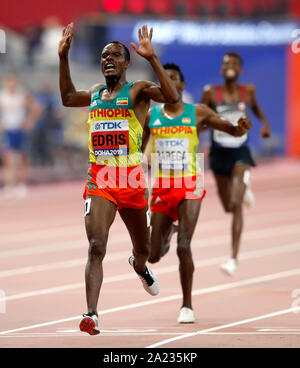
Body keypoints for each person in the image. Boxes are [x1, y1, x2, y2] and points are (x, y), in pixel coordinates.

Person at [58, 23, 180, 335]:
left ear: (126, 62)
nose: (108, 59)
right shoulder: (96, 93)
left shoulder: (138, 90)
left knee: (145, 249)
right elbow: (69, 96)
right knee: (96, 246)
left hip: (132, 181)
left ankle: (139, 267)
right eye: (103, 56)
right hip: (100, 179)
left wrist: (152, 59)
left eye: (115, 55)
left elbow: (172, 96)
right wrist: (63, 56)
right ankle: (91, 315)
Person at [141, 62, 252, 323]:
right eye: (163, 80)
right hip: (162, 186)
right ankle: (170, 231)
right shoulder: (151, 116)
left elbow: (230, 129)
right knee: (154, 255)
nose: (168, 83)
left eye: (173, 79)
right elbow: (140, 146)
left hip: (190, 183)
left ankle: (187, 306)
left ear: (181, 85)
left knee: (184, 246)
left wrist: (240, 128)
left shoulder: (197, 112)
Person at [201, 52, 271, 276]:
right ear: (222, 70)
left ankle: (232, 258)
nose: (229, 66)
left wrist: (265, 124)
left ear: (240, 70)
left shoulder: (247, 91)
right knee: (228, 207)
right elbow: (201, 118)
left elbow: (256, 108)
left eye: (234, 64)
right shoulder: (211, 92)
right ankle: (245, 185)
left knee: (236, 202)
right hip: (219, 153)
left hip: (240, 151)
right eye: (226, 64)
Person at [0, 74, 41, 198]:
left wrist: (29, 121)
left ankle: (21, 185)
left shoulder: (21, 95)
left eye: (13, 82)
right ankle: (9, 185)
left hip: (20, 129)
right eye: (9, 83)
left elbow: (36, 108)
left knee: (23, 157)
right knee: (7, 158)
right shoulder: (3, 96)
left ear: (16, 83)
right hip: (8, 130)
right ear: (6, 83)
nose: (11, 85)